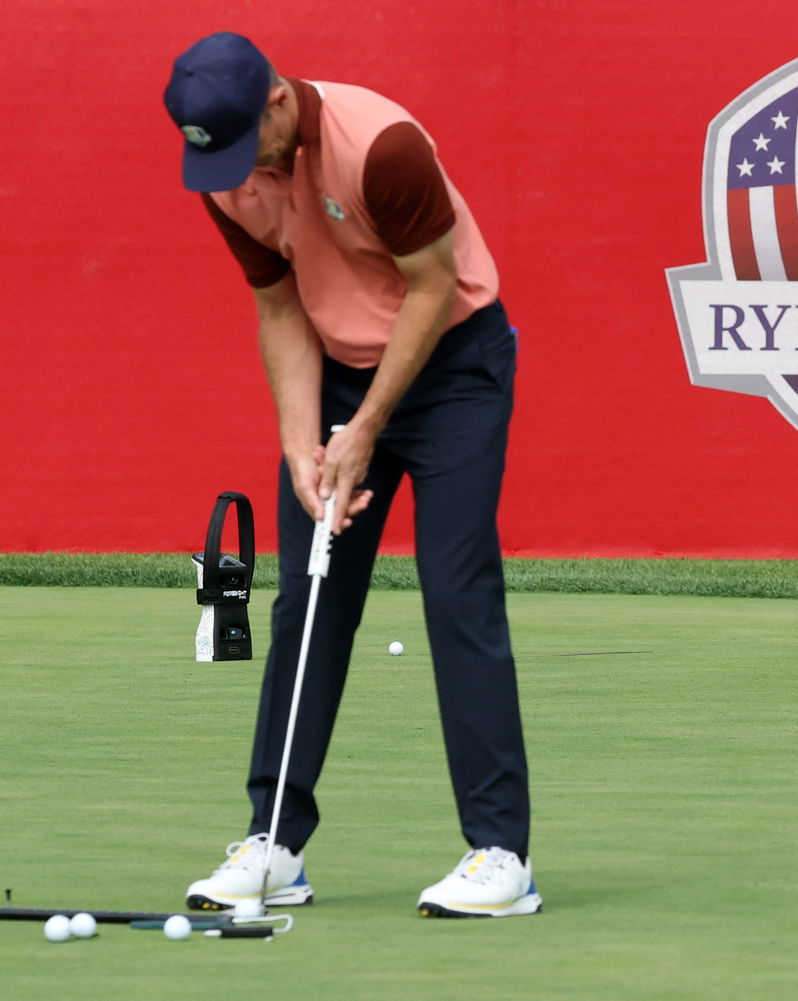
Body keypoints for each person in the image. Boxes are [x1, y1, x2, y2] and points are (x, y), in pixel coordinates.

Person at [163, 31, 541, 915]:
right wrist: (304, 443)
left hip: (453, 369)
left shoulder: (382, 147)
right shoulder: (225, 172)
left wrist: (366, 427)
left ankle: (500, 854)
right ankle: (275, 842)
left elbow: (432, 286)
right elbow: (279, 306)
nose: (232, 174)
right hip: (337, 372)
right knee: (311, 593)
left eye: (241, 147)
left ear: (280, 104)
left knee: (457, 593)